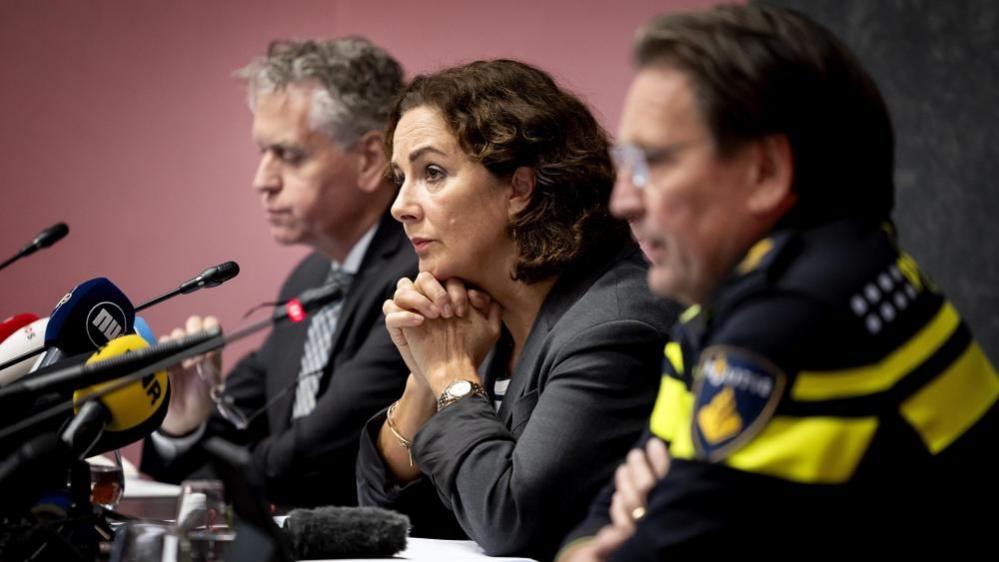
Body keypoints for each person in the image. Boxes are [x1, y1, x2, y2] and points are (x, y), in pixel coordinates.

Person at [558, 4, 999, 559]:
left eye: (655, 163)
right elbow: (602, 519)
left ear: (765, 172)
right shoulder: (720, 306)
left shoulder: (800, 311)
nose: (622, 199)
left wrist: (638, 524)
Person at [354, 59, 678, 561]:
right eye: (402, 178)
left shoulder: (615, 326)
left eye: (432, 173)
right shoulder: (480, 314)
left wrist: (449, 375)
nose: (400, 206)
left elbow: (512, 522)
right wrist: (424, 378)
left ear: (519, 190)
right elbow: (390, 525)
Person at [141, 38, 417, 508]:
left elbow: (315, 455)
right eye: (263, 154)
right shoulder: (310, 279)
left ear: (371, 160)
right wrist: (181, 428)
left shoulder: (416, 274)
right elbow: (244, 419)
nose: (262, 180)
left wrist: (209, 471)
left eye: (289, 156)